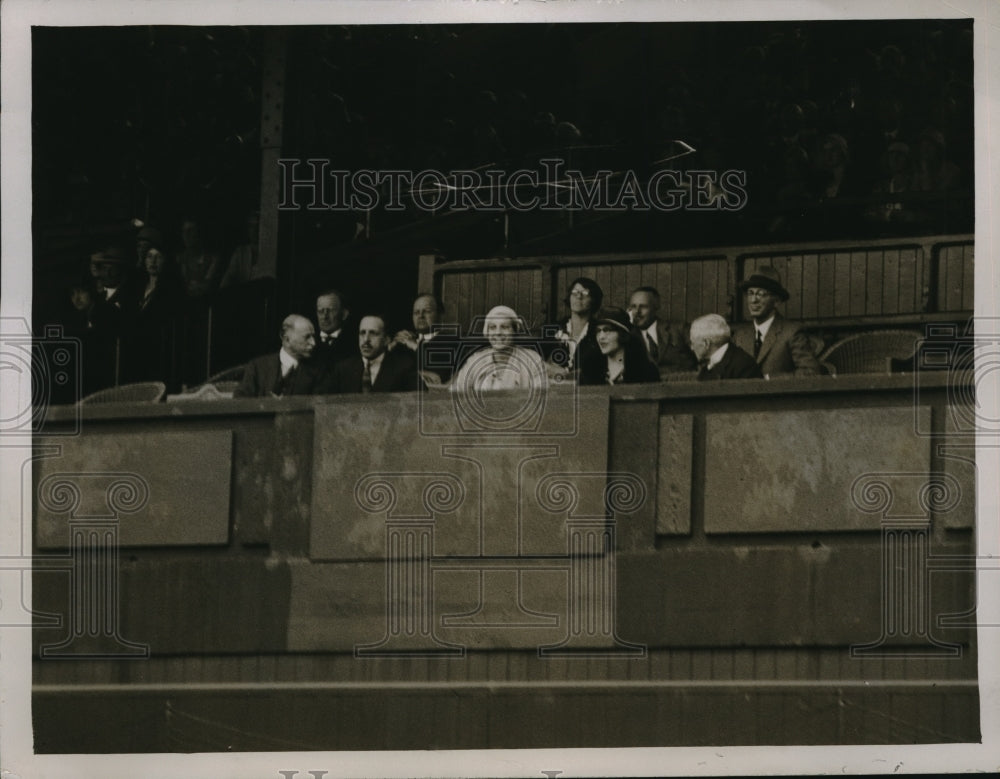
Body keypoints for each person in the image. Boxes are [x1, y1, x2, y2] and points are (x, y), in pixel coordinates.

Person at [731, 267, 821, 377]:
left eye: (761, 294)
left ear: (776, 301)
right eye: (751, 293)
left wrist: (770, 380)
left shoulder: (791, 332)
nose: (753, 300)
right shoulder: (740, 336)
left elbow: (811, 372)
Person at [451, 305, 546, 392]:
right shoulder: (475, 360)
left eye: (504, 327)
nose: (498, 333)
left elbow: (542, 398)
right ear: (487, 333)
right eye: (492, 327)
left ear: (515, 332)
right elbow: (456, 393)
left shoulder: (532, 360)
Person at [325, 314, 420, 394]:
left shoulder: (404, 368)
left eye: (373, 333)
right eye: (362, 333)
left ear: (386, 340)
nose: (366, 339)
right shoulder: (342, 370)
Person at [234, 314, 322, 398]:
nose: (313, 343)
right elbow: (240, 402)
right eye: (307, 337)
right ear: (287, 339)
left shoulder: (319, 371)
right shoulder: (257, 367)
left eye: (313, 336)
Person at [391, 293, 463, 384]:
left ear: (440, 315)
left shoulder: (452, 342)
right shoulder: (402, 342)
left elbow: (439, 374)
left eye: (427, 311)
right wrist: (389, 348)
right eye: (416, 312)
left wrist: (415, 346)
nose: (420, 316)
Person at [579, 307, 660, 386]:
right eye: (598, 331)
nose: (601, 337)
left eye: (607, 330)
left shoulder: (644, 370)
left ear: (622, 334)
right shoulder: (590, 371)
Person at [626, 286, 696, 373]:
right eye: (633, 307)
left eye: (643, 306)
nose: (637, 312)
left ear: (656, 307)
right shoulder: (628, 336)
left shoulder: (679, 329)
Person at [545, 276, 602, 377]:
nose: (578, 296)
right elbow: (538, 361)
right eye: (574, 292)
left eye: (585, 293)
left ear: (593, 300)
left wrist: (566, 373)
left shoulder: (599, 330)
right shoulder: (553, 329)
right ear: (569, 297)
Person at [690, 314, 763, 381]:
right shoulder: (707, 369)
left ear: (706, 343)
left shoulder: (744, 366)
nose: (691, 348)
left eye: (693, 343)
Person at [177, 217, 223, 298]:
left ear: (199, 232)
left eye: (191, 230)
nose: (186, 235)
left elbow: (208, 287)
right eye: (183, 231)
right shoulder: (179, 259)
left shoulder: (213, 259)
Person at [313, 288, 354, 369]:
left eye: (330, 311)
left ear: (344, 314)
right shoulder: (309, 341)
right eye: (320, 311)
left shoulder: (353, 344)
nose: (325, 316)